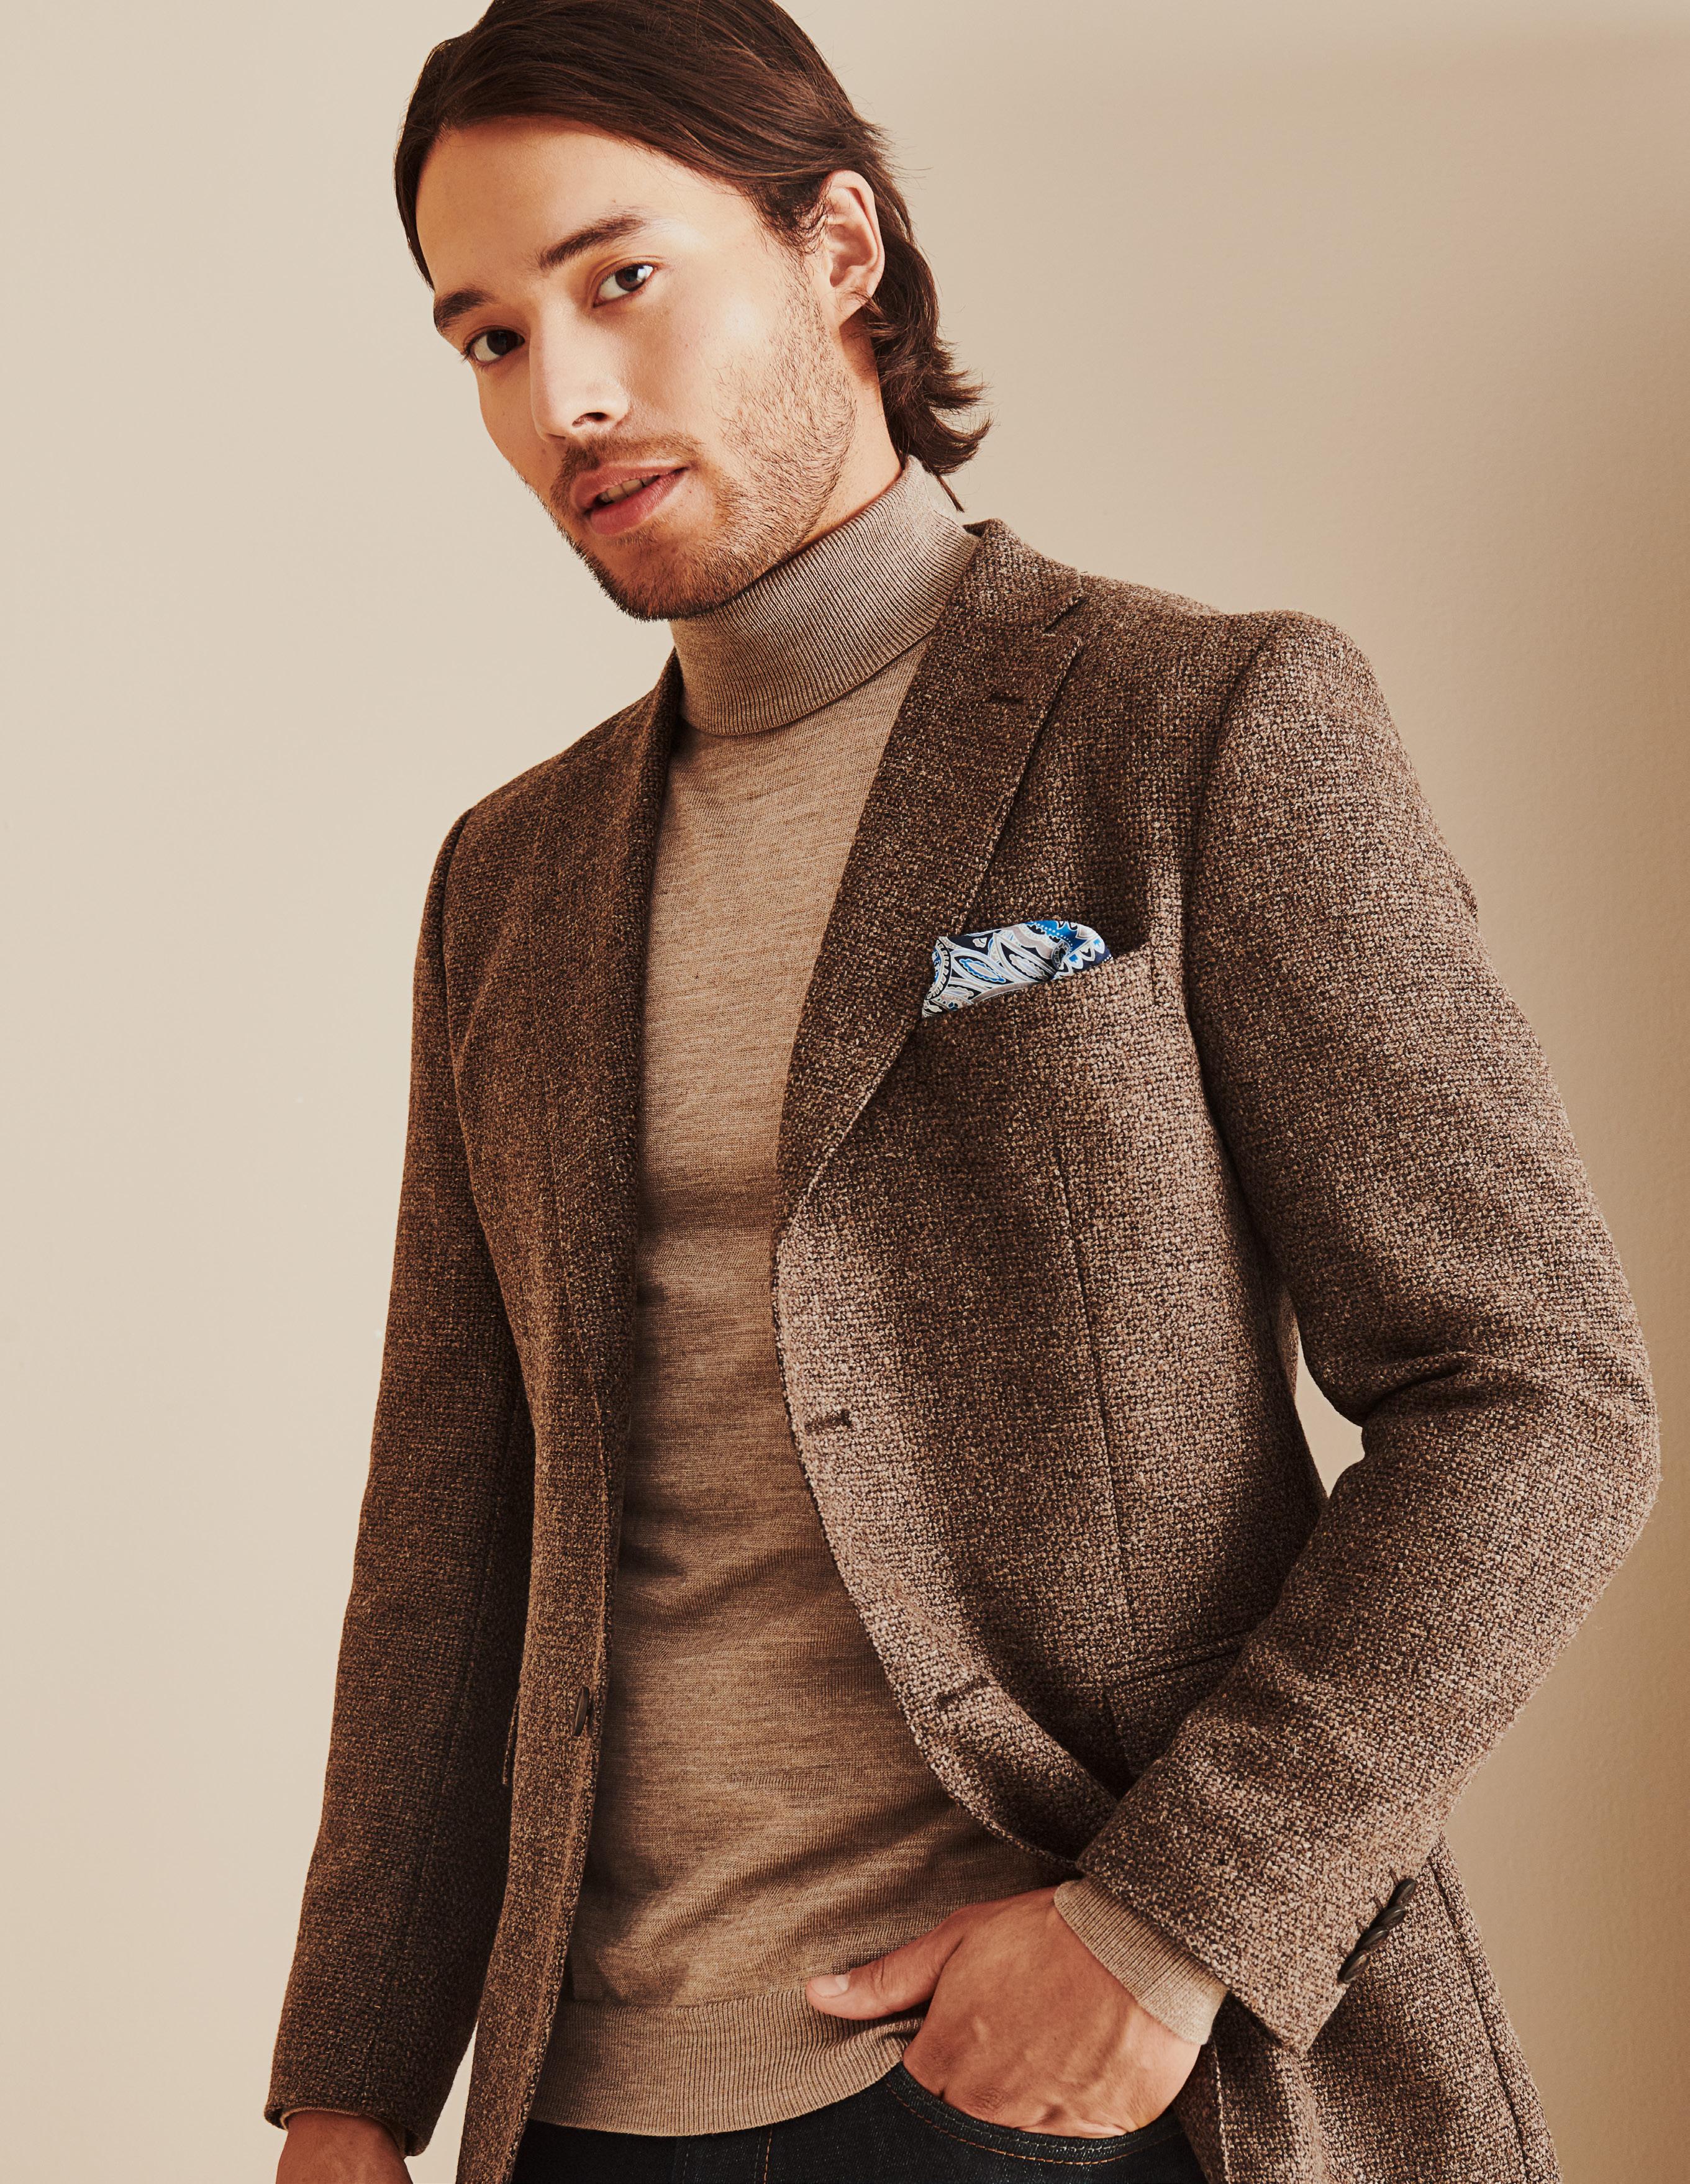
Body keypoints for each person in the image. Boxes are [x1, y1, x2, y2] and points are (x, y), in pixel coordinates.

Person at [266, 4, 1659, 2181]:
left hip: (1077, 2081)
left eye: (620, 279)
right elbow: (448, 1528)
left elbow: (1531, 1393)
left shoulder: (1200, 727)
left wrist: (1167, 1930)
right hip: (588, 2105)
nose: (566, 397)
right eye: (490, 339)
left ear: (838, 247)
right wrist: (352, 2088)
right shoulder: (506, 879)